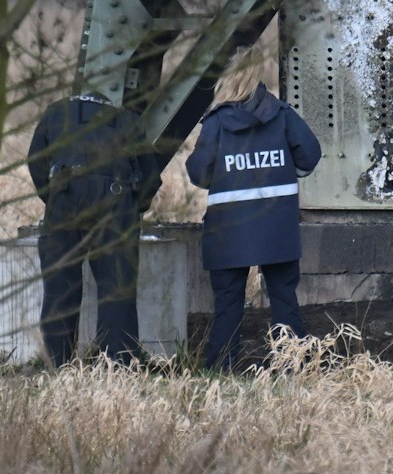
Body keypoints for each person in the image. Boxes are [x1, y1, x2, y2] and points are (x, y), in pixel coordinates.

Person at [186, 72, 322, 371]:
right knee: (284, 297)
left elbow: (199, 174)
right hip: (277, 226)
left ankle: (223, 369)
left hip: (228, 230)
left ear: (227, 83)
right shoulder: (283, 115)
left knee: (228, 303)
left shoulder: (217, 122)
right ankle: (292, 367)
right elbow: (310, 156)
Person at [27, 91, 165, 366]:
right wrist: (130, 207)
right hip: (115, 196)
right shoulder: (128, 120)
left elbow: (36, 163)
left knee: (60, 287)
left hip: (64, 195)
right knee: (117, 288)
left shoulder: (55, 114)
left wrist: (53, 198)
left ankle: (57, 364)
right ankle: (119, 365)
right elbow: (150, 178)